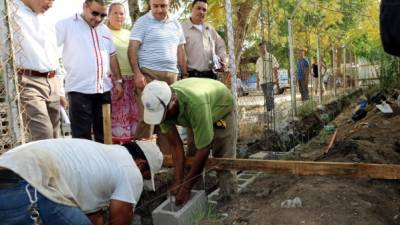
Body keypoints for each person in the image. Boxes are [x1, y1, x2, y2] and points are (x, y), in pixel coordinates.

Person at [0, 138, 163, 225]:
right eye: (146, 175)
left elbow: (92, 215)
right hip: (28, 190)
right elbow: (119, 219)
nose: (142, 179)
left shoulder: (102, 154)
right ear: (140, 164)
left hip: (11, 177)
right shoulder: (131, 170)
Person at [141, 79, 237, 206]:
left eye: (164, 115)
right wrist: (178, 180)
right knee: (191, 158)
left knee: (223, 160)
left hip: (221, 111)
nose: (163, 119)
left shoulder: (195, 104)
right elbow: (175, 146)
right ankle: (196, 202)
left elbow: (204, 149)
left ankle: (228, 201)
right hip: (196, 116)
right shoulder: (162, 108)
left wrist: (185, 187)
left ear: (173, 101)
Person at [56, 0, 123, 143]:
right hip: (79, 91)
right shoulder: (65, 25)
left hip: (103, 90)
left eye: (103, 15)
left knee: (104, 136)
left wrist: (118, 81)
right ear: (85, 6)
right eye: (95, 13)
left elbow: (112, 57)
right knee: (82, 139)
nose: (98, 18)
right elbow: (50, 53)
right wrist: (59, 88)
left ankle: (104, 165)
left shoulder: (105, 30)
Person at [128, 0, 186, 140]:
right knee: (147, 118)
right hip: (148, 75)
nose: (159, 10)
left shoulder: (176, 24)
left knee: (168, 118)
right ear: (150, 4)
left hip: (172, 76)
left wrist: (185, 75)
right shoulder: (142, 22)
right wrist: (137, 73)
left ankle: (166, 159)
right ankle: (141, 158)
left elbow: (181, 51)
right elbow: (132, 49)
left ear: (169, 4)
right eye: (155, 6)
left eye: (163, 6)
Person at [12, 0, 66, 141]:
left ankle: (52, 163)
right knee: (43, 134)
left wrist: (60, 91)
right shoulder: (10, 9)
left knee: (55, 135)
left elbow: (54, 54)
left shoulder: (47, 18)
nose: (51, 4)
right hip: (29, 81)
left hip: (52, 81)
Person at [107, 3, 139, 143]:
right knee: (115, 118)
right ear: (108, 15)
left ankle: (130, 152)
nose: (119, 16)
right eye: (115, 13)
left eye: (122, 13)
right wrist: (117, 81)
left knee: (132, 118)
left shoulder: (129, 33)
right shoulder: (103, 32)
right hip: (114, 81)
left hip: (131, 81)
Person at [181, 0, 227, 80]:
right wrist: (184, 75)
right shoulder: (182, 29)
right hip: (191, 77)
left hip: (211, 76)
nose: (201, 12)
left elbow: (221, 45)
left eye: (204, 10)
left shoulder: (210, 29)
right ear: (191, 9)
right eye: (198, 8)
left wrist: (223, 60)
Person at [255, 42, 279, 111]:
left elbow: (275, 67)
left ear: (266, 47)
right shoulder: (259, 60)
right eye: (260, 48)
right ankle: (269, 110)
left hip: (270, 80)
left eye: (263, 47)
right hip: (262, 81)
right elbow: (257, 71)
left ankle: (271, 110)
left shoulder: (271, 57)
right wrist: (257, 83)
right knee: (266, 96)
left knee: (269, 95)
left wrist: (277, 78)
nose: (262, 49)